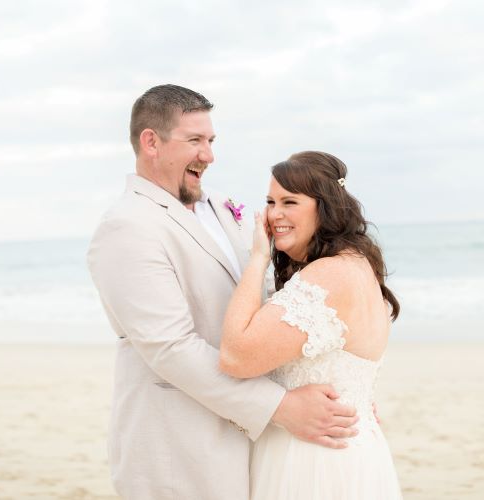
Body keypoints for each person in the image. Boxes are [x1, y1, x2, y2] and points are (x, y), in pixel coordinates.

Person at [87, 85, 358, 500]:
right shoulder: (127, 227)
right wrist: (281, 408)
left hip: (252, 443)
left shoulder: (219, 205)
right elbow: (170, 347)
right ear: (151, 142)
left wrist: (338, 392)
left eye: (210, 141)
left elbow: (273, 302)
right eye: (194, 140)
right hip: (180, 449)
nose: (209, 156)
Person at [220, 151, 403, 499]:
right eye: (271, 201)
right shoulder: (360, 266)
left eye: (290, 202)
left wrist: (258, 258)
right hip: (351, 448)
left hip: (313, 460)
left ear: (325, 207)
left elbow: (235, 356)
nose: (275, 215)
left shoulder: (329, 274)